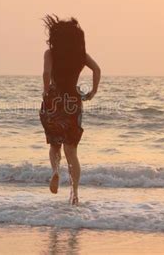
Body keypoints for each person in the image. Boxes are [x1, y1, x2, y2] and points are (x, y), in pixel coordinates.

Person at [39, 14, 101, 205]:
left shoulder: (50, 53)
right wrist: (92, 92)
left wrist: (46, 89)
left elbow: (46, 73)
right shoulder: (81, 55)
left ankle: (55, 172)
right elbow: (97, 70)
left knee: (54, 145)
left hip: (54, 100)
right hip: (73, 102)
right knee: (71, 150)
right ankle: (74, 193)